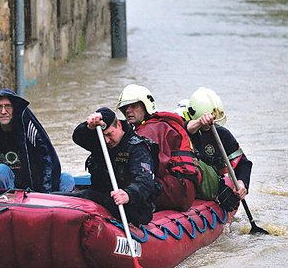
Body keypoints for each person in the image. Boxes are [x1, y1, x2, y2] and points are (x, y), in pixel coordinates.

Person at [0, 88, 75, 193]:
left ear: (15, 109)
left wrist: (47, 197)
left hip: (31, 191)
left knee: (66, 179)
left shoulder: (28, 128)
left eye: (8, 106)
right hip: (0, 193)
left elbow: (48, 158)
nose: (3, 111)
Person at [116, 84, 201, 212]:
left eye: (133, 106)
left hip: (176, 190)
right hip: (181, 188)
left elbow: (152, 169)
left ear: (146, 106)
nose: (128, 111)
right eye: (124, 108)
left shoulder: (150, 129)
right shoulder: (157, 124)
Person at [71, 107, 159, 225]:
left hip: (131, 207)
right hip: (103, 197)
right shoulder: (101, 143)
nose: (107, 140)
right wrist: (88, 126)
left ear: (119, 125)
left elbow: (144, 180)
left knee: (86, 196)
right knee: (67, 197)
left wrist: (128, 194)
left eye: (109, 134)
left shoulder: (137, 148)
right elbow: (78, 137)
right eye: (103, 136)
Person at [185, 87, 253, 211]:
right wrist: (200, 122)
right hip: (186, 180)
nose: (212, 126)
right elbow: (187, 127)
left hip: (211, 182)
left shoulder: (222, 134)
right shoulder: (182, 130)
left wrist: (242, 183)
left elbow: (242, 163)